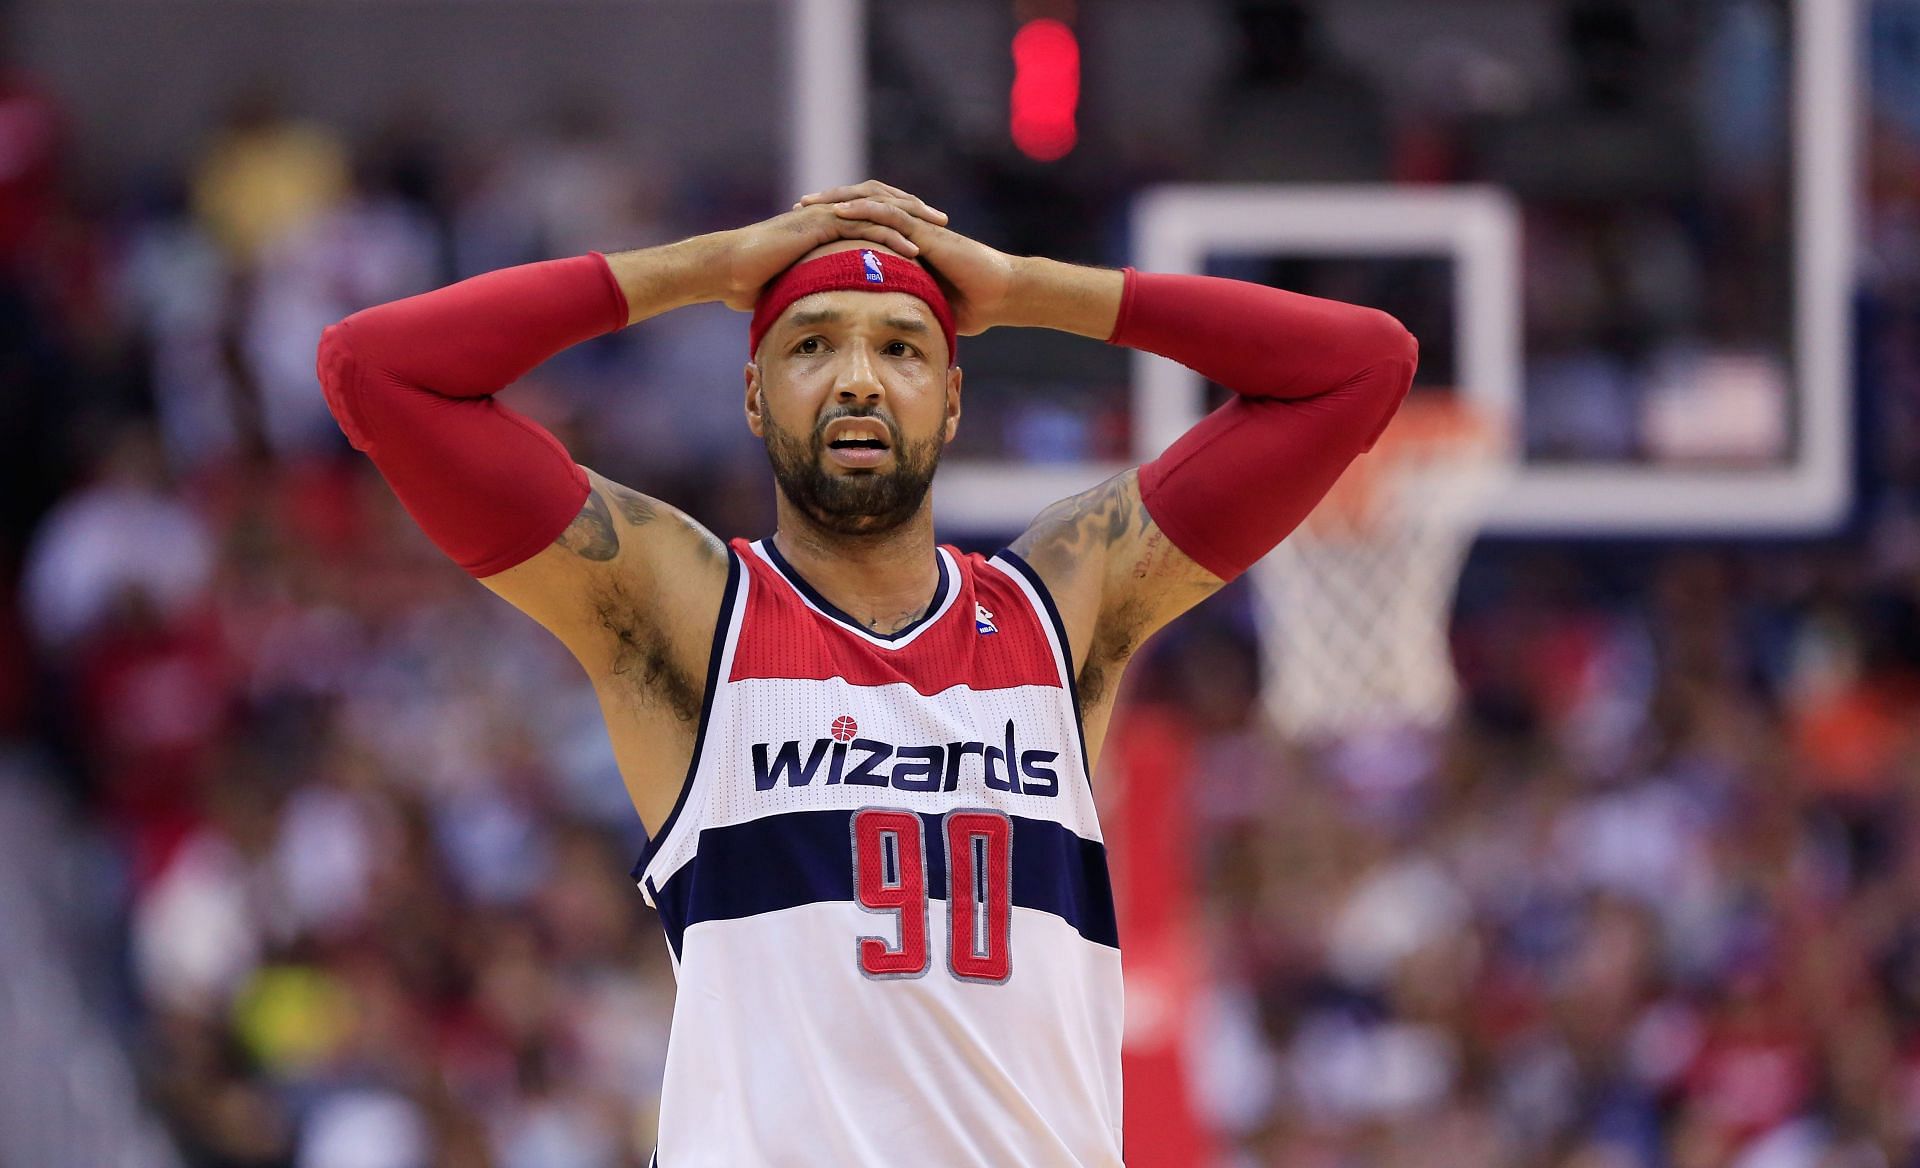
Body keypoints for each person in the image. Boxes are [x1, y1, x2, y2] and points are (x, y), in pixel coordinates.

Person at [315, 179, 1416, 1166]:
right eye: (810, 346)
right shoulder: (690, 616)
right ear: (752, 397)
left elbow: (1361, 368)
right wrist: (706, 268)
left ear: (953, 399)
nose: (856, 378)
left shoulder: (1062, 608)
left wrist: (1027, 287)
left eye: (901, 347)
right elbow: (377, 370)